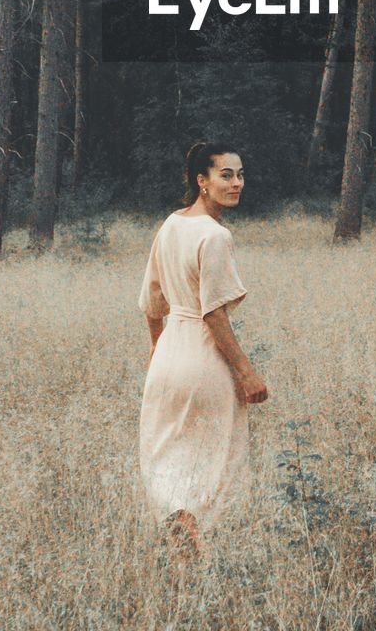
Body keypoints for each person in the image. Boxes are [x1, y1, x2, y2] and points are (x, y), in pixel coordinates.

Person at [138, 140, 270, 565]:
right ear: (202, 181)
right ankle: (197, 555)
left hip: (168, 357)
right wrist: (247, 373)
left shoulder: (171, 225)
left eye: (240, 174)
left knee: (167, 455)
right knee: (213, 458)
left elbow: (151, 301)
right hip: (201, 357)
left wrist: (158, 349)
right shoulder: (214, 236)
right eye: (225, 175)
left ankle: (180, 546)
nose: (236, 183)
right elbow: (214, 314)